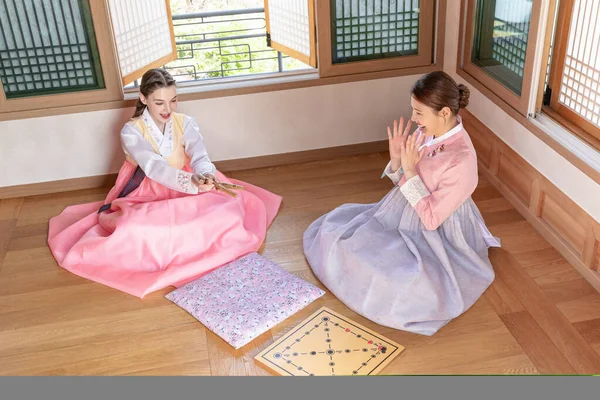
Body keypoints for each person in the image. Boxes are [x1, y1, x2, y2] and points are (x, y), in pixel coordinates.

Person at [48, 68, 282, 298]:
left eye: (173, 100)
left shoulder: (185, 123)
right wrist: (190, 182)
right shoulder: (131, 131)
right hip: (146, 189)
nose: (167, 109)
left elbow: (199, 155)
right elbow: (154, 167)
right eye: (159, 102)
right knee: (135, 229)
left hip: (189, 178)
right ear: (143, 98)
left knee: (228, 214)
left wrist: (203, 174)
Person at [303, 71, 500, 336]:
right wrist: (397, 161)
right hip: (400, 212)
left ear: (443, 113)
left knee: (402, 284)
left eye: (419, 112)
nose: (413, 119)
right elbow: (401, 186)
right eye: (413, 110)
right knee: (339, 241)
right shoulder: (425, 132)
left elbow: (431, 219)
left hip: (438, 231)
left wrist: (410, 172)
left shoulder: (462, 159)